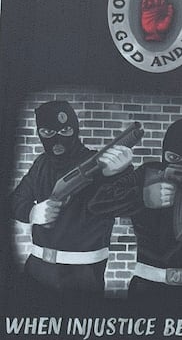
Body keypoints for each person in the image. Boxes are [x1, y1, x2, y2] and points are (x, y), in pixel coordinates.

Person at [89, 117, 182, 299]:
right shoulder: (147, 173)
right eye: (173, 158)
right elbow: (97, 205)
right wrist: (141, 196)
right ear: (164, 153)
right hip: (147, 288)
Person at [11, 100, 134, 295]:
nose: (57, 140)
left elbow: (125, 204)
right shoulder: (41, 163)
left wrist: (120, 173)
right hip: (37, 268)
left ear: (75, 130)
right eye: (47, 133)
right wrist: (33, 212)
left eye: (65, 131)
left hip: (83, 274)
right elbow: (14, 200)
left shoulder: (99, 164)